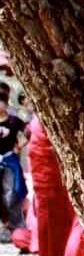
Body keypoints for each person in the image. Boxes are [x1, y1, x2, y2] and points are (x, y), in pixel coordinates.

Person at [26, 117, 73, 256]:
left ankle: (61, 253)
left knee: (61, 211)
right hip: (45, 170)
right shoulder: (40, 122)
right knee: (48, 212)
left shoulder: (40, 120)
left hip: (54, 169)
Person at [0, 97, 28, 242]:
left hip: (9, 159)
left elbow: (28, 132)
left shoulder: (14, 121)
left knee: (11, 193)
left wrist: (19, 147)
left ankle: (16, 228)